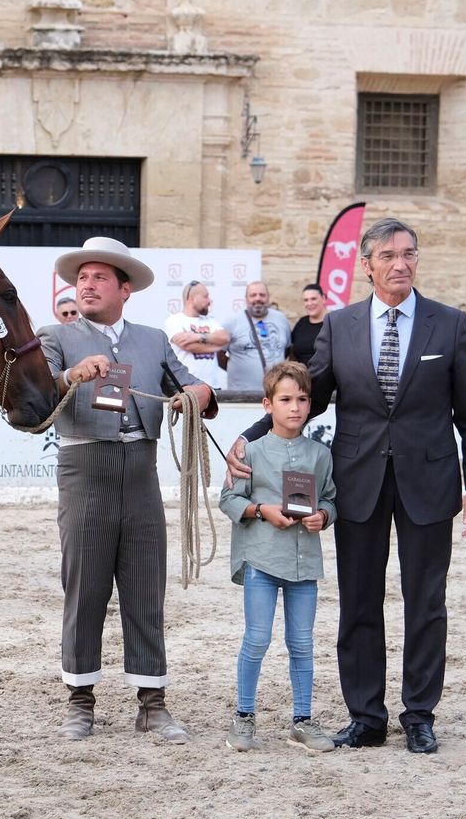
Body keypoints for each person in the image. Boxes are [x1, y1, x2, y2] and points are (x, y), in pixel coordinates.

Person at [227, 218, 466, 754]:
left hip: (430, 482)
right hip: (358, 482)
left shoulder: (449, 324)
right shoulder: (339, 325)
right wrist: (248, 437)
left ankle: (419, 715)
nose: (401, 264)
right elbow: (309, 395)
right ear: (367, 266)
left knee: (426, 602)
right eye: (388, 256)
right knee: (360, 602)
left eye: (409, 254)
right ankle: (366, 717)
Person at [39, 236, 217, 744]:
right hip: (84, 467)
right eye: (82, 278)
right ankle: (80, 701)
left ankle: (152, 703)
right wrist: (71, 375)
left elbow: (193, 385)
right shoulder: (56, 336)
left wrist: (196, 394)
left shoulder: (154, 340)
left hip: (142, 468)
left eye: (99, 277)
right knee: (84, 587)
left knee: (145, 586)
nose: (87, 285)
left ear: (125, 289)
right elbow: (36, 389)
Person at [219, 361, 338, 753]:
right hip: (262, 561)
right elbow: (229, 499)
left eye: (302, 399)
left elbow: (330, 499)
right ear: (267, 404)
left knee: (302, 643)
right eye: (285, 400)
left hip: (304, 565)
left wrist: (324, 516)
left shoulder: (320, 455)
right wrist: (261, 510)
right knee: (256, 639)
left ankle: (302, 721)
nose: (295, 407)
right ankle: (243, 717)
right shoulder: (249, 453)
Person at [224, 281, 291, 392]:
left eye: (262, 295)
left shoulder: (282, 319)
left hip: (276, 392)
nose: (258, 298)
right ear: (246, 299)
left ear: (268, 297)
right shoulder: (232, 322)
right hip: (241, 394)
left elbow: (287, 350)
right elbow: (219, 354)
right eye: (253, 295)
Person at [163, 280, 228, 390]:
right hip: (187, 387)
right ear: (192, 298)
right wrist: (215, 346)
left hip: (213, 387)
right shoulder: (174, 320)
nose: (209, 300)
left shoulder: (211, 321)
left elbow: (225, 337)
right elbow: (187, 345)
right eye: (205, 296)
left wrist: (198, 337)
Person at [289, 283, 327, 365]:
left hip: (325, 373)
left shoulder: (332, 323)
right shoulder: (302, 322)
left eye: (313, 299)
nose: (309, 303)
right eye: (306, 300)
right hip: (301, 372)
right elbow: (292, 350)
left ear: (323, 298)